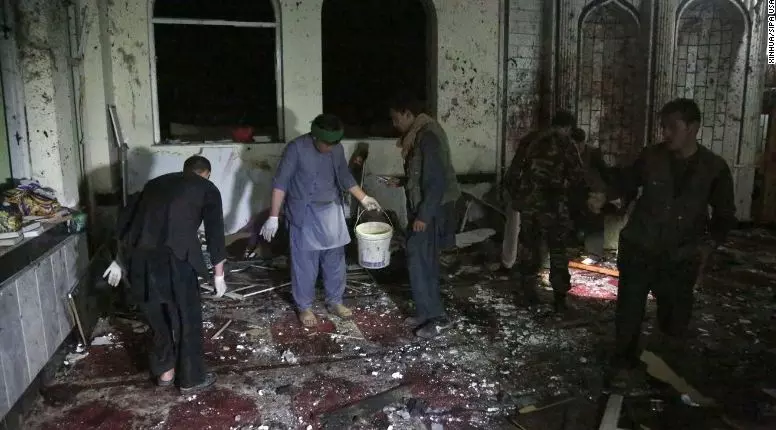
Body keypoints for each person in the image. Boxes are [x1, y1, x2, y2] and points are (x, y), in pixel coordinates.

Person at [608, 98, 736, 388]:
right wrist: (607, 197)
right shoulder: (650, 157)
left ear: (692, 127)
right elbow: (626, 184)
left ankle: (662, 369)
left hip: (680, 256)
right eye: (663, 127)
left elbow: (725, 214)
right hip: (640, 247)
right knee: (629, 312)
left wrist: (708, 245)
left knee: (674, 319)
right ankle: (623, 365)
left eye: (671, 127)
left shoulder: (714, 168)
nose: (665, 133)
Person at [102, 155, 227, 393]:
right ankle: (191, 379)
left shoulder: (155, 184)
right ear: (206, 174)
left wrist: (119, 261)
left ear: (184, 170)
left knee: (157, 318)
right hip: (176, 260)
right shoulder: (207, 188)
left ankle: (165, 372)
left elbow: (126, 222)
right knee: (186, 319)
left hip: (140, 260)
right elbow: (215, 233)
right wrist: (218, 275)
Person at [260, 114, 381, 328]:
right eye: (326, 143)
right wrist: (273, 216)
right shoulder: (296, 148)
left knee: (335, 260)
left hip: (331, 209)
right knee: (305, 263)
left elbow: (344, 176)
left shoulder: (336, 148)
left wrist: (364, 198)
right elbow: (281, 183)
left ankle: (335, 300)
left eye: (334, 143)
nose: (329, 148)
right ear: (315, 136)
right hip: (304, 211)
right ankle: (304, 306)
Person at [385, 92, 461, 339]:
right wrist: (403, 182)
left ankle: (438, 318)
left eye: (396, 119)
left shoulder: (428, 135)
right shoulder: (419, 134)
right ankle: (426, 312)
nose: (395, 124)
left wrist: (424, 216)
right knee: (419, 258)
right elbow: (422, 175)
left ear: (408, 113)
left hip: (432, 209)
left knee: (422, 260)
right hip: (426, 207)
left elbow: (436, 181)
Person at [509, 111, 587, 312]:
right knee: (558, 251)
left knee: (529, 249)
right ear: (568, 127)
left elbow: (513, 172)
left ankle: (527, 294)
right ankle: (559, 299)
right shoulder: (566, 144)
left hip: (529, 206)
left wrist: (518, 197)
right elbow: (577, 177)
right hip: (554, 207)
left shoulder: (530, 140)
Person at [497, 130, 540, 275]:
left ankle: (510, 263)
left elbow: (515, 171)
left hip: (520, 191)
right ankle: (520, 263)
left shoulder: (529, 143)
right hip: (522, 192)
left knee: (514, 227)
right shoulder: (541, 145)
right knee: (519, 227)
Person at [569, 127, 609, 258]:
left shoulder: (593, 153)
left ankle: (592, 253)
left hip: (592, 191)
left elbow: (604, 172)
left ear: (583, 142)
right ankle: (576, 249)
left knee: (593, 222)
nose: (578, 148)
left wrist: (603, 192)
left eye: (580, 144)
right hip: (576, 191)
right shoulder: (568, 153)